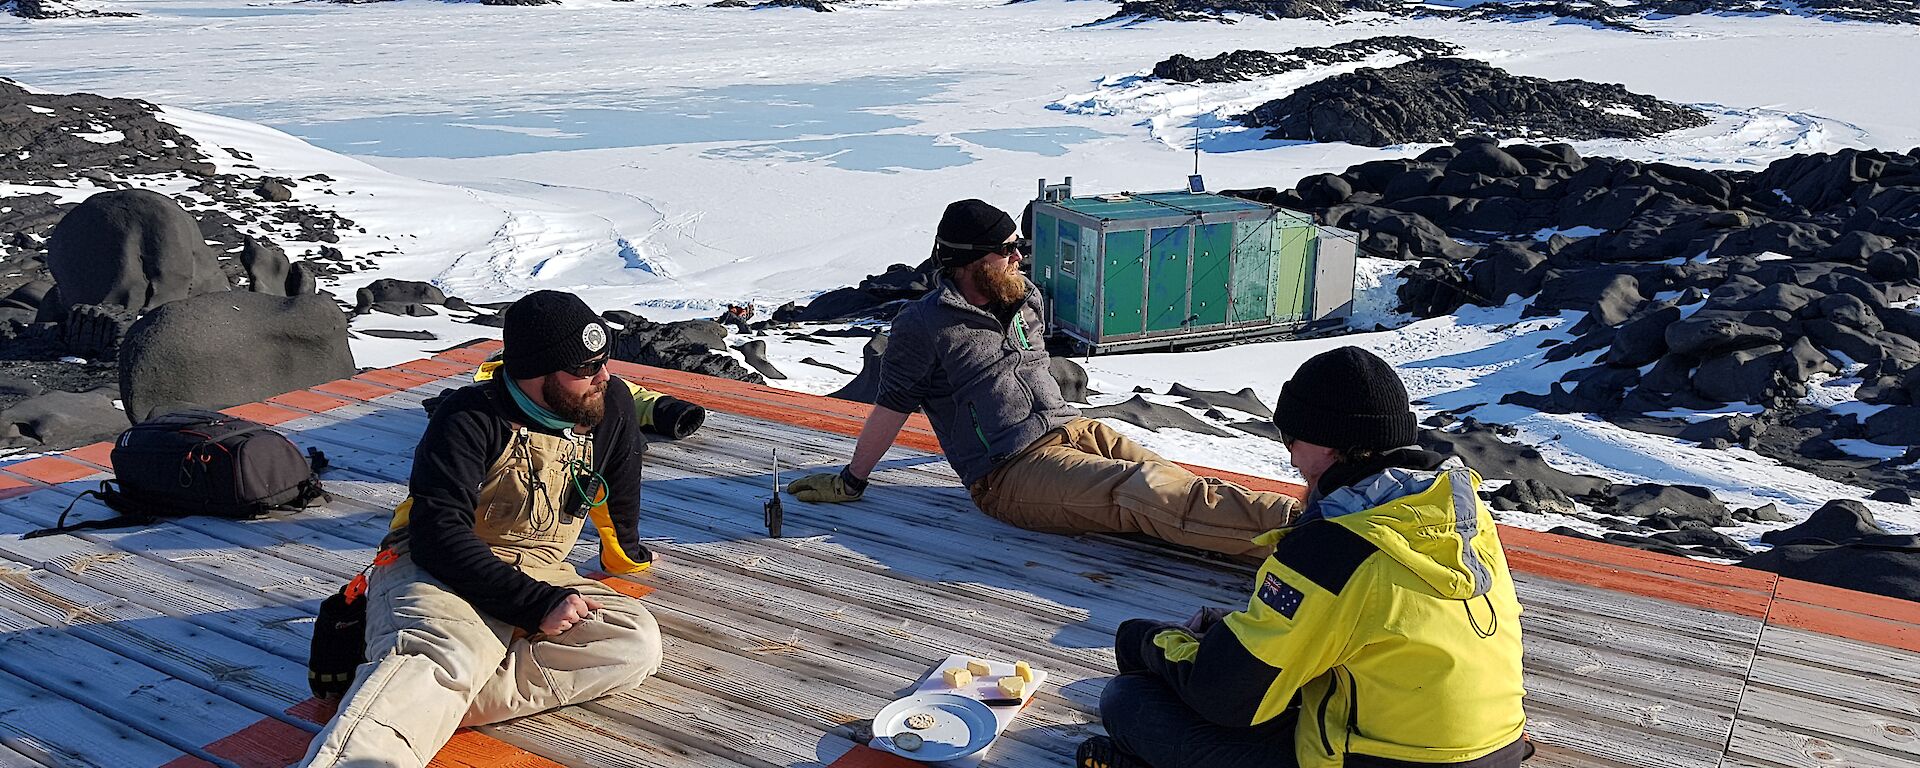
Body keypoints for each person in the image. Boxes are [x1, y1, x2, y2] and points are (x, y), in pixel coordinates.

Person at [1078, 347, 1529, 768]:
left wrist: (1147, 642)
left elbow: (1225, 696)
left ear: (1329, 443)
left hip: (1384, 759)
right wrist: (1241, 630)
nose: (1289, 452)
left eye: (1291, 436)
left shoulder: (1334, 549)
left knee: (1129, 701)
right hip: (1497, 749)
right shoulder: (1460, 513)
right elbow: (1371, 624)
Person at [784, 199, 1300, 559]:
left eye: (1019, 245)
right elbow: (892, 407)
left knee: (1181, 484)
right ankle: (1309, 534)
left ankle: (1308, 524)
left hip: (1072, 431)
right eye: (1007, 249)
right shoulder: (923, 326)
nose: (1019, 256)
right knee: (1143, 492)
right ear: (969, 262)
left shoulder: (1024, 297)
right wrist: (852, 481)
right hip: (1009, 474)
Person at [301, 291, 664, 768]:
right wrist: (535, 604)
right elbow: (437, 534)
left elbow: (618, 491)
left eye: (604, 361)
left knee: (631, 641)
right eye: (585, 370)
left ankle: (409, 700)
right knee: (446, 653)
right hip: (437, 565)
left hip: (538, 567)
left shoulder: (607, 405)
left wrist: (625, 558)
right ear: (537, 372)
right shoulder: (468, 417)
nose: (605, 377)